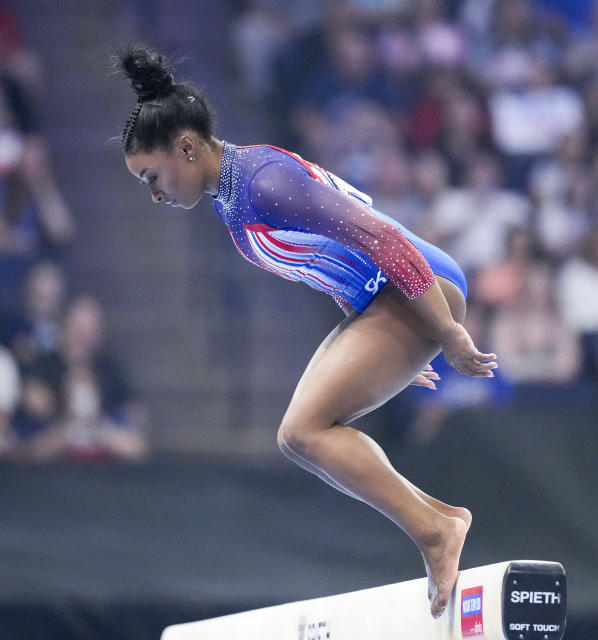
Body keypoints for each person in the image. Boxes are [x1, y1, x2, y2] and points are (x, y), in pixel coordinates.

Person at [117, 46, 497, 619]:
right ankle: (440, 522)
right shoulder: (230, 194)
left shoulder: (264, 183)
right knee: (297, 435)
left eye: (152, 175)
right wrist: (386, 346)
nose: (153, 193)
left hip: (421, 283)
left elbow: (380, 238)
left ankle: (436, 531)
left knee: (303, 431)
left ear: (187, 147)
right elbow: (330, 259)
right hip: (385, 299)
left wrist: (441, 328)